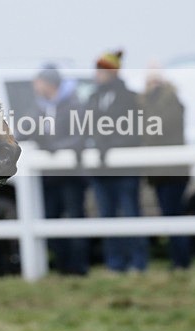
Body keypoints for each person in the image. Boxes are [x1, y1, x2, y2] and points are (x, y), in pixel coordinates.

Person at [24, 65, 89, 275]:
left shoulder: (74, 105)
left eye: (38, 82)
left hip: (70, 176)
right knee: (48, 221)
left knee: (75, 220)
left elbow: (79, 138)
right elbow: (24, 130)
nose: (35, 86)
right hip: (49, 177)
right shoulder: (39, 107)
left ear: (48, 84)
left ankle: (78, 268)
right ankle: (63, 265)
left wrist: (55, 149)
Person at [86, 50, 147, 273]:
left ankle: (138, 262)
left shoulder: (129, 97)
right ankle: (115, 263)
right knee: (107, 216)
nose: (97, 74)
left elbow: (134, 131)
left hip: (125, 169)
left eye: (101, 70)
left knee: (131, 214)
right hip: (101, 170)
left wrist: (110, 144)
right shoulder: (93, 97)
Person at [137, 67, 191, 269]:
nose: (152, 85)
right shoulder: (145, 102)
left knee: (174, 214)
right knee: (168, 214)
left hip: (174, 171)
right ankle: (177, 259)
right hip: (157, 172)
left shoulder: (172, 102)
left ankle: (181, 260)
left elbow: (158, 128)